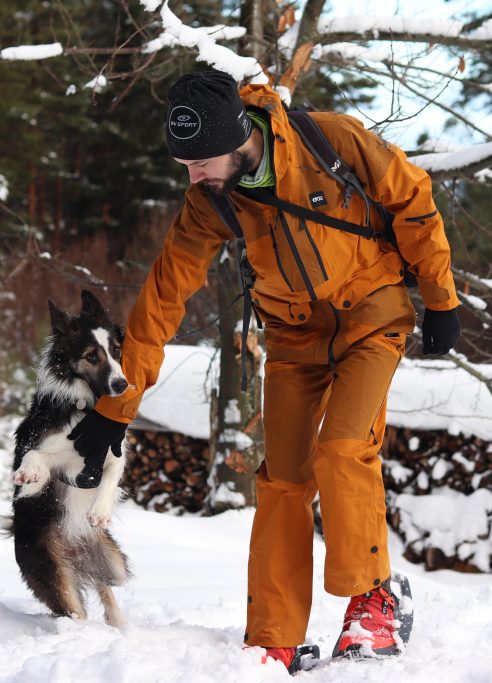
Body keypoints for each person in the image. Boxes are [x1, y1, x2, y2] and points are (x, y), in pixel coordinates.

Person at [67, 71, 460, 671]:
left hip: (372, 319)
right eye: (184, 163)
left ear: (235, 136)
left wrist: (441, 300)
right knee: (281, 479)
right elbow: (163, 298)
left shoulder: (330, 141)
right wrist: (113, 412)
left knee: (343, 447)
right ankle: (275, 635)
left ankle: (374, 598)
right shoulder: (211, 198)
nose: (192, 176)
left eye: (200, 161)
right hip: (296, 336)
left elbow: (414, 199)